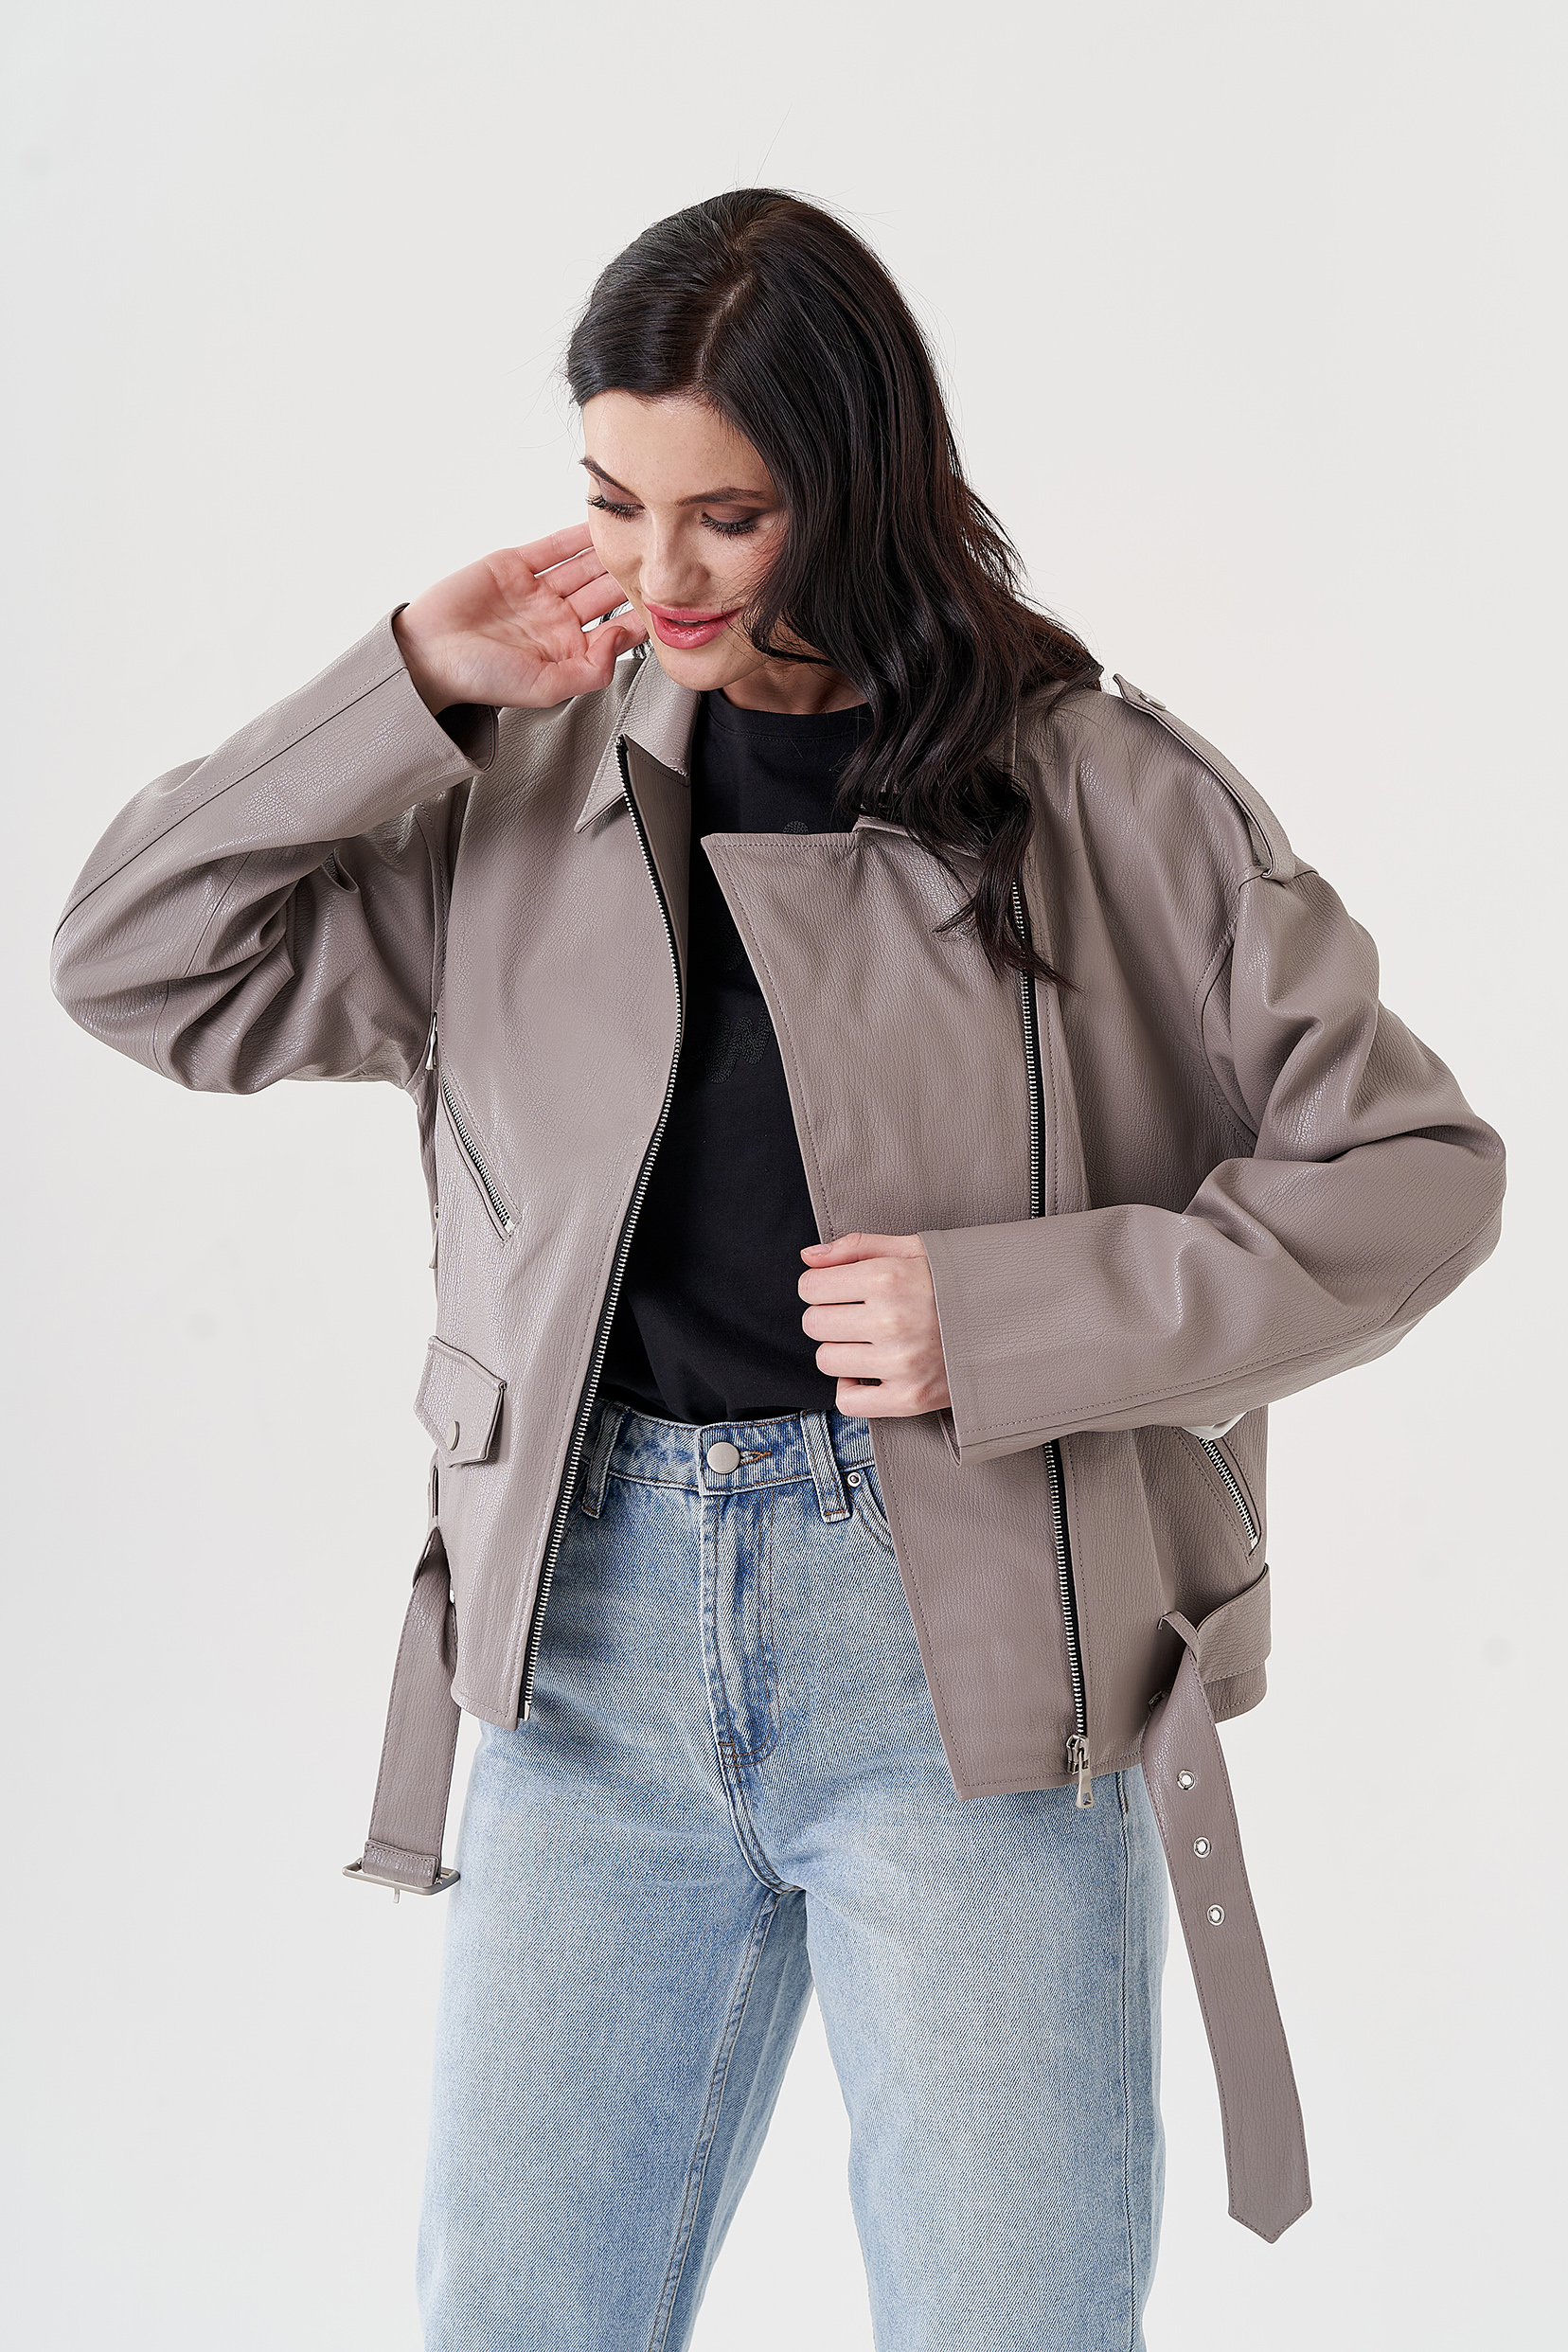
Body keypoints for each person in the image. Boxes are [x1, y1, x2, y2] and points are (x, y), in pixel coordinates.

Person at [50, 189, 1505, 2352]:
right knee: (518, 2317)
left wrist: (1016, 1315)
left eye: (726, 514)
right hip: (591, 1645)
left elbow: (1415, 1174)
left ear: (859, 483)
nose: (662, 574)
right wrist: (405, 682)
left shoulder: (1108, 799)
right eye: (612, 501)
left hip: (973, 1665)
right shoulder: (519, 792)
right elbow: (136, 959)